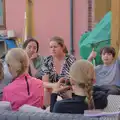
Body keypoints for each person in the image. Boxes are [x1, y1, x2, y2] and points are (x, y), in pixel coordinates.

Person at [41, 36, 76, 106]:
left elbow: (74, 79)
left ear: (62, 47)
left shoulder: (70, 59)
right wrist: (55, 86)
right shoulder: (47, 60)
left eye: (55, 47)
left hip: (67, 89)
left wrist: (64, 87)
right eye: (51, 47)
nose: (53, 49)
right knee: (46, 90)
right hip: (52, 90)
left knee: (68, 92)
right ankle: (48, 111)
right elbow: (44, 82)